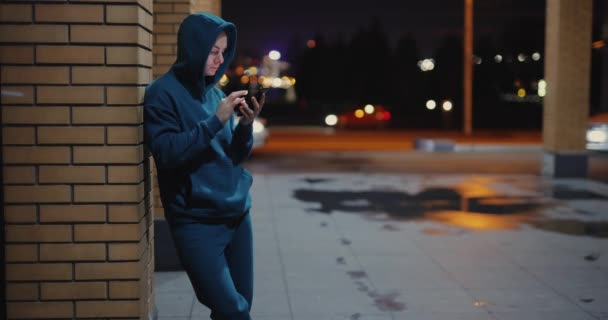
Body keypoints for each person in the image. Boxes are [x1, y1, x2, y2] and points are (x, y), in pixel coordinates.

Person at [143, 12, 264, 320]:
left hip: (237, 216)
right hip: (196, 222)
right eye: (213, 51)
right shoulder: (162, 93)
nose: (218, 59)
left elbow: (235, 156)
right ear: (194, 47)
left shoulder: (215, 95)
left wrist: (245, 125)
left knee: (240, 307)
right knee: (232, 309)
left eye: (223, 53)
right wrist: (216, 120)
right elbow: (167, 154)